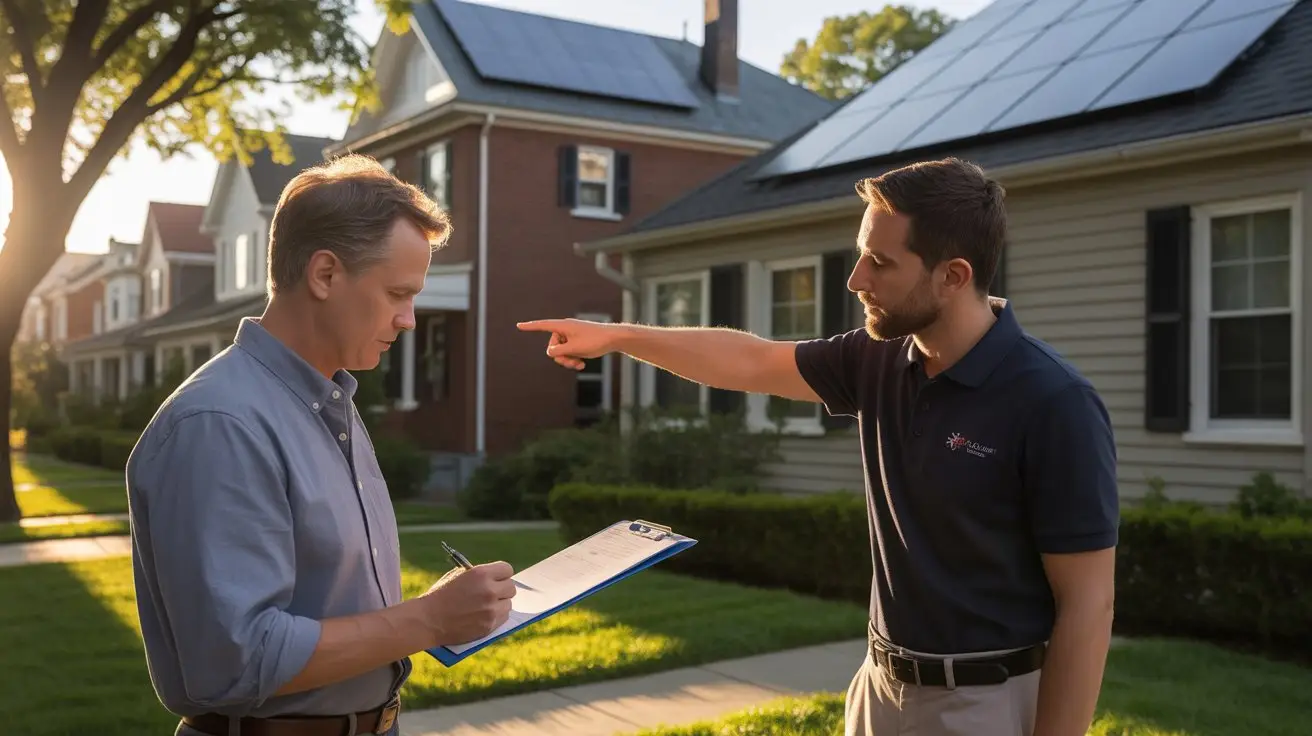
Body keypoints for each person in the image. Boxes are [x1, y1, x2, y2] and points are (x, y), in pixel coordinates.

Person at [518, 157, 1119, 736]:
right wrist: (619, 335)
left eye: (880, 262)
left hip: (985, 704)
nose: (857, 280)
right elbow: (751, 360)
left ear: (953, 275)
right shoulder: (878, 358)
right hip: (879, 687)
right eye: (861, 255)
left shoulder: (1053, 402)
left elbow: (1089, 606)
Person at [126, 154, 517, 736]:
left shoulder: (329, 404)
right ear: (325, 274)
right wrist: (427, 621)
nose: (409, 319)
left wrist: (433, 614)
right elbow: (236, 660)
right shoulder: (220, 422)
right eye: (396, 293)